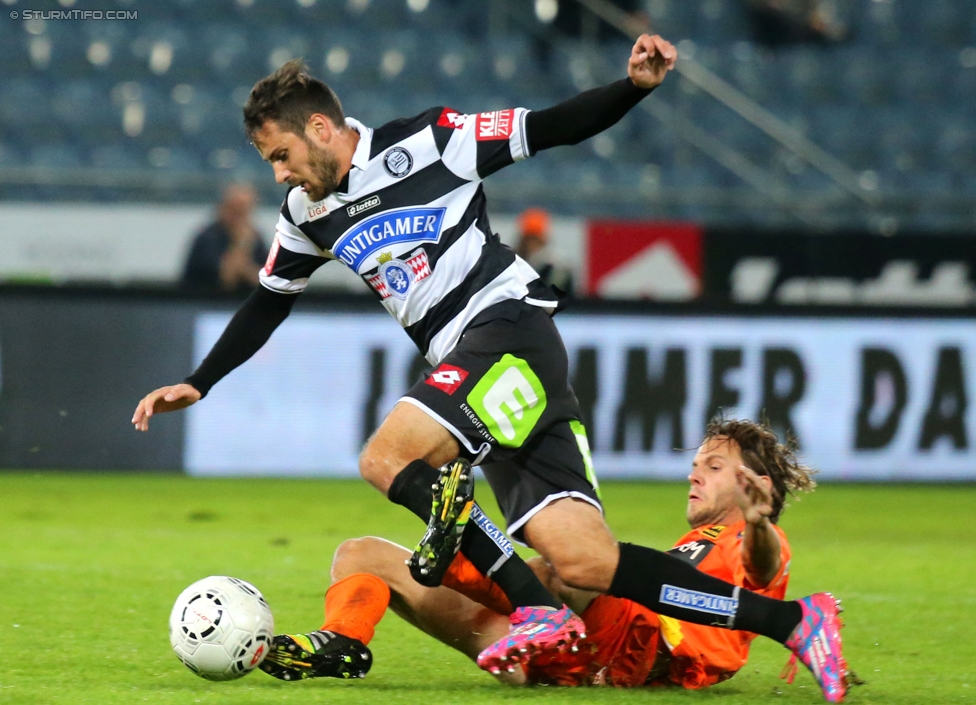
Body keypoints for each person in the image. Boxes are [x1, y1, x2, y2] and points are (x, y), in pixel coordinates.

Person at [131, 34, 847, 702]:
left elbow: (551, 126)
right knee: (588, 564)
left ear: (320, 128)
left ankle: (536, 608)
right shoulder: (306, 211)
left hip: (508, 332)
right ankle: (792, 621)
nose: (280, 174)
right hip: (482, 371)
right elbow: (267, 302)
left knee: (387, 458)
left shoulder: (431, 141)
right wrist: (201, 378)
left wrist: (632, 88)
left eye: (280, 154)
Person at [260, 419, 852, 697]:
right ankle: (344, 641)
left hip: (646, 648)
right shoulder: (684, 549)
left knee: (574, 564)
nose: (695, 471)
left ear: (756, 485)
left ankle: (461, 535)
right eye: (697, 461)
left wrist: (757, 522)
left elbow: (767, 568)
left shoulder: (748, 539)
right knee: (360, 553)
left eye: (713, 466)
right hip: (580, 658)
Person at [181, 183, 268, 293]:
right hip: (204, 301)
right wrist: (241, 244)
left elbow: (267, 280)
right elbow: (227, 279)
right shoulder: (207, 238)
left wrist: (246, 270)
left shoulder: (256, 238)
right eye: (236, 210)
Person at [514, 207, 574, 295]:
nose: (531, 244)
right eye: (528, 239)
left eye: (535, 239)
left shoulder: (557, 266)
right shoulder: (514, 261)